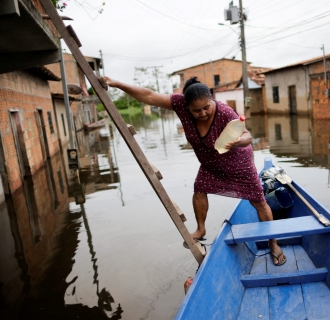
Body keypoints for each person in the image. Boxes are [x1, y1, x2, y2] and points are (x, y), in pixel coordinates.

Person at [102, 76, 286, 266]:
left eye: (207, 107)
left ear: (211, 99)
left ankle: (273, 243)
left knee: (259, 202)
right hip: (210, 162)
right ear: (186, 106)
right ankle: (201, 229)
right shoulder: (179, 104)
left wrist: (238, 142)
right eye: (196, 110)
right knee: (199, 188)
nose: (203, 113)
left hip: (238, 160)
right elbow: (148, 95)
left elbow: (247, 135)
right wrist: (117, 83)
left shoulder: (224, 111)